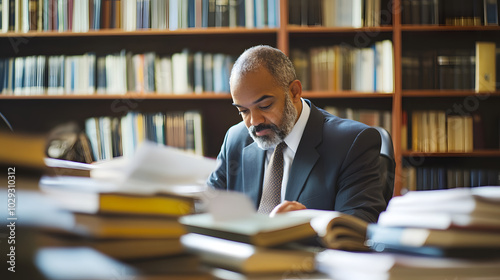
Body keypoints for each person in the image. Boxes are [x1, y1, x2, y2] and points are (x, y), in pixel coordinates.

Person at [207, 45, 386, 223]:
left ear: (294, 92)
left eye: (265, 106)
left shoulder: (352, 143)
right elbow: (206, 206)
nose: (254, 121)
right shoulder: (236, 139)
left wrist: (301, 226)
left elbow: (360, 224)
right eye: (243, 111)